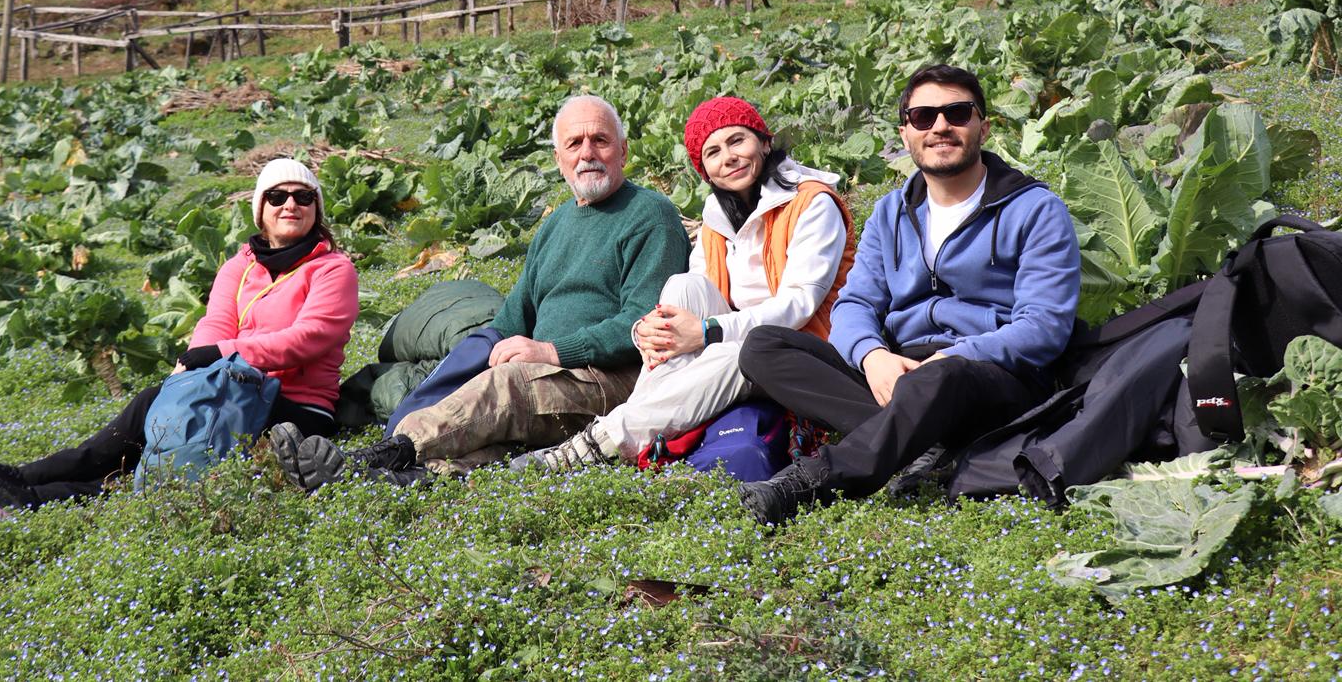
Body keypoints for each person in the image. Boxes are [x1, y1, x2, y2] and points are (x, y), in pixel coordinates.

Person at [270, 94, 690, 488]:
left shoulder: (650, 215)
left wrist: (551, 352)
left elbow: (642, 326)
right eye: (574, 143)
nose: (587, 153)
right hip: (551, 380)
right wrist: (481, 357)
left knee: (506, 389)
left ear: (623, 150)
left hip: (612, 379)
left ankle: (376, 457)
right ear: (558, 158)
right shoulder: (556, 224)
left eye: (600, 140)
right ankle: (402, 478)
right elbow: (515, 314)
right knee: (493, 432)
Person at [736, 64, 1081, 523]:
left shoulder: (1035, 209)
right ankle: (930, 442)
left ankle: (815, 480)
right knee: (763, 345)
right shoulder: (891, 212)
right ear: (906, 134)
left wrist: (958, 355)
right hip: (901, 365)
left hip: (990, 373)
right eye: (923, 117)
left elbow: (1044, 326)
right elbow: (857, 303)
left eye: (957, 113)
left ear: (984, 126)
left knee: (941, 379)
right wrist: (871, 355)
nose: (940, 126)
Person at [0, 158, 359, 520]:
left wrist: (218, 355)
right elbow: (215, 323)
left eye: (303, 196)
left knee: (167, 444)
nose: (291, 205)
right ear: (260, 210)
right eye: (277, 196)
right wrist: (190, 369)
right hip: (230, 387)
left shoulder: (332, 269)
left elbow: (310, 337)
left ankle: (23, 488)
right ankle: (23, 490)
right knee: (159, 436)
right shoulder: (239, 266)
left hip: (295, 408)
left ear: (316, 209)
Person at [508, 96, 856, 472]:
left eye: (738, 141)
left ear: (764, 142)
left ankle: (602, 442)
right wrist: (649, 329)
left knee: (735, 351)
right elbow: (696, 292)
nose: (729, 157)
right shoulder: (717, 215)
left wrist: (707, 332)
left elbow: (799, 304)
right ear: (704, 169)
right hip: (745, 336)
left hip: (809, 350)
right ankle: (635, 423)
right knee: (682, 287)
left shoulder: (813, 203)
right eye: (713, 151)